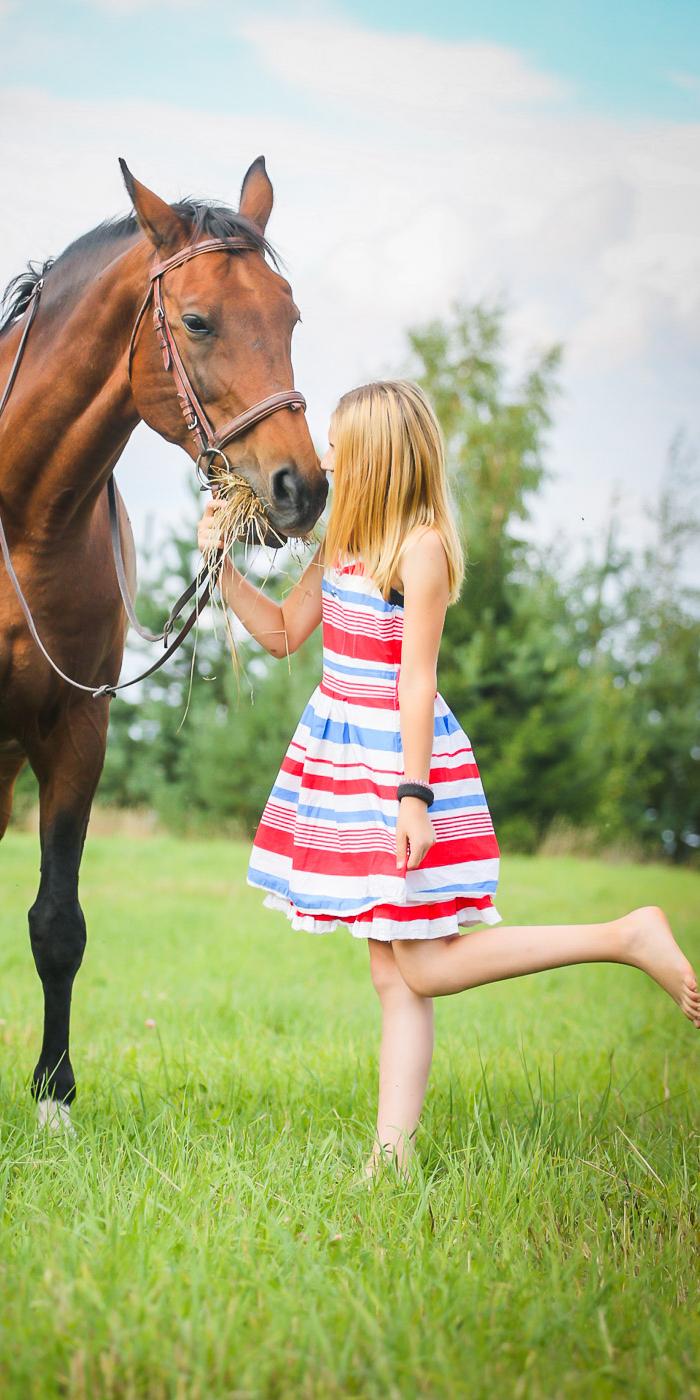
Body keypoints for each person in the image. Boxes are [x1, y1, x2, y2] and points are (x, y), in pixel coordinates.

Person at [198, 379, 700, 1178]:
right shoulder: (342, 543)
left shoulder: (418, 547)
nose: (325, 459)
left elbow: (415, 682)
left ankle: (622, 936)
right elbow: (286, 634)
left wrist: (412, 796)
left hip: (398, 768)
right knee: (393, 977)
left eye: (337, 444)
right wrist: (221, 572)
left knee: (424, 964)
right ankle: (390, 1159)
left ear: (376, 456)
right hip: (346, 763)